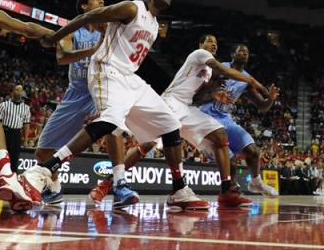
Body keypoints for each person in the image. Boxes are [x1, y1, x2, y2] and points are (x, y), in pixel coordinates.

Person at [18, 0, 209, 211]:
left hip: (130, 78)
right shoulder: (132, 8)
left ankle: (179, 189)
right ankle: (44, 170)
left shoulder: (155, 25)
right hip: (107, 70)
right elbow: (91, 16)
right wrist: (54, 37)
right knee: (111, 120)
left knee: (170, 125)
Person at [88, 35, 270, 207]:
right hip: (171, 102)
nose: (214, 44)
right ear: (201, 45)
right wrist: (253, 82)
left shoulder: (207, 73)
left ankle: (227, 191)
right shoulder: (200, 55)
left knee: (220, 135)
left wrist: (214, 94)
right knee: (148, 144)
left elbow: (197, 99)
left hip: (187, 107)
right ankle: (105, 185)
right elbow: (224, 69)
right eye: (209, 41)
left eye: (216, 43)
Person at [32, 0, 127, 206]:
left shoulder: (108, 27)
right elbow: (62, 58)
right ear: (84, 7)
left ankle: (120, 182)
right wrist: (93, 50)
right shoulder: (72, 30)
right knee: (42, 151)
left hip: (102, 89)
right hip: (76, 93)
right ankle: (54, 190)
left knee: (114, 124)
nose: (101, 1)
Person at [0, 0, 55, 211]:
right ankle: (6, 175)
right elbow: (28, 29)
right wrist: (53, 34)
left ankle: (8, 177)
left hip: (15, 134)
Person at [195, 43, 280, 197]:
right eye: (240, 51)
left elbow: (262, 106)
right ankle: (230, 190)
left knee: (254, 151)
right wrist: (212, 94)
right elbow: (198, 93)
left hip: (224, 118)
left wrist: (271, 99)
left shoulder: (246, 80)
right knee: (230, 159)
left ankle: (256, 182)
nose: (244, 53)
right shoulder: (219, 68)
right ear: (232, 55)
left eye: (246, 52)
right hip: (205, 116)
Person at [0, 85, 30, 194]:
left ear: (23, 93)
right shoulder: (4, 105)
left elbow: (26, 124)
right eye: (17, 89)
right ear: (12, 92)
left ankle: (11, 189)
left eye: (21, 90)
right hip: (4, 132)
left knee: (14, 163)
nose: (19, 92)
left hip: (16, 134)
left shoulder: (26, 108)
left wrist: (25, 140)